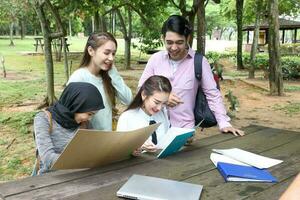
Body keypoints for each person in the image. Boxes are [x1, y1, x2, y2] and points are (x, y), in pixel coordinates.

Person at [138, 15, 244, 136]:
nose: (174, 48)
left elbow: (212, 94)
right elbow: (141, 88)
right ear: (163, 38)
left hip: (183, 132)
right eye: (169, 42)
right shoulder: (155, 60)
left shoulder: (199, 62)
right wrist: (163, 97)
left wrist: (224, 123)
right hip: (153, 129)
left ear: (188, 38)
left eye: (179, 42)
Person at [33, 82, 104, 175]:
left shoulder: (85, 124)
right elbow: (48, 158)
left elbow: (95, 150)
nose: (89, 118)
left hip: (79, 175)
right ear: (76, 105)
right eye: (89, 114)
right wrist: (82, 162)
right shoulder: (43, 119)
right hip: (50, 178)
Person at [68, 32, 132, 131]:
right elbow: (69, 115)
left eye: (113, 53)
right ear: (91, 51)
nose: (111, 58)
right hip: (88, 140)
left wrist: (113, 72)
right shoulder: (78, 78)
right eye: (106, 53)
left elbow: (128, 99)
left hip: (106, 139)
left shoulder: (109, 76)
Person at [117, 75, 172, 154]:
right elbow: (119, 149)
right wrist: (135, 148)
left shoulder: (162, 114)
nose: (159, 108)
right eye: (156, 102)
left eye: (164, 103)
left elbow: (166, 139)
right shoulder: (127, 117)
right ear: (144, 95)